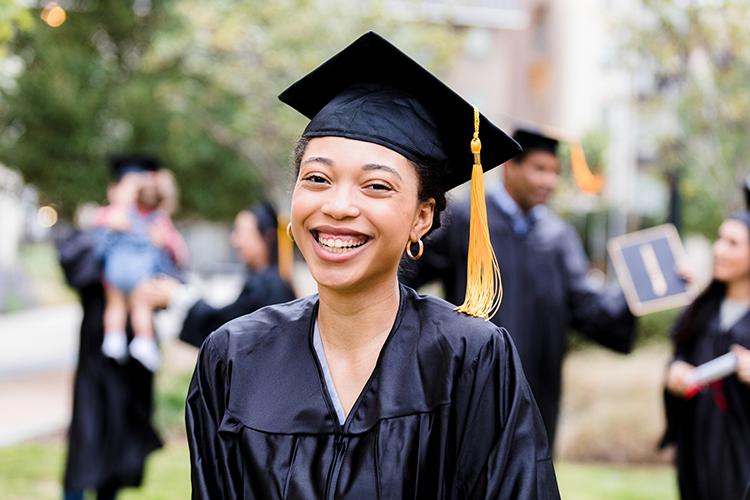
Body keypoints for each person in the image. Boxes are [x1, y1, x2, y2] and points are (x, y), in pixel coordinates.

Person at [185, 32, 560, 499]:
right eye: (317, 179)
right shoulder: (233, 357)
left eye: (376, 186)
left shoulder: (470, 358)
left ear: (422, 217)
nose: (338, 206)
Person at [400, 128, 637, 447]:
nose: (549, 181)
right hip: (470, 383)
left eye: (555, 172)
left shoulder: (558, 236)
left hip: (537, 392)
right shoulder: (465, 219)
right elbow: (402, 277)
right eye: (539, 169)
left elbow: (588, 308)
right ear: (510, 166)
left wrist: (637, 291)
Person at [56, 155, 163, 500]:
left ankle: (110, 493)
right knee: (88, 434)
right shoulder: (96, 229)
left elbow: (170, 282)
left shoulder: (154, 228)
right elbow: (75, 269)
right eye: (128, 189)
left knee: (124, 438)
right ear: (113, 190)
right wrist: (104, 230)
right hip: (97, 348)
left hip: (136, 350)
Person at [662, 211, 750, 500]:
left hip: (741, 450)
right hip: (696, 442)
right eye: (719, 239)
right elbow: (680, 353)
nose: (718, 249)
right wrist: (675, 371)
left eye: (732, 243)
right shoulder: (702, 309)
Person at [141, 201, 295, 348]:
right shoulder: (271, 282)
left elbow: (225, 329)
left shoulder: (266, 287)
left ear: (268, 236)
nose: (234, 240)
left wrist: (177, 295)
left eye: (241, 232)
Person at [95, 168, 188, 371]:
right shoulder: (156, 220)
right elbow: (179, 252)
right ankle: (144, 341)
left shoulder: (118, 216)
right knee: (141, 307)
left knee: (115, 306)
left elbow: (98, 234)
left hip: (115, 272)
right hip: (140, 275)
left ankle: (113, 338)